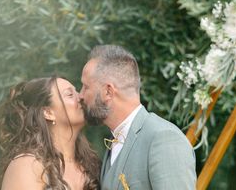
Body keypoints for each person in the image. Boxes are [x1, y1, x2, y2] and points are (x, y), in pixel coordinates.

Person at [79, 45, 196, 190]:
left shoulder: (164, 138)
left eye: (86, 87)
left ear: (108, 91)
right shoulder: (113, 141)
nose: (81, 95)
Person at [0, 76, 101, 190]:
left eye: (77, 91)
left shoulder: (91, 164)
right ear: (48, 112)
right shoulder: (27, 166)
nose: (81, 97)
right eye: (70, 94)